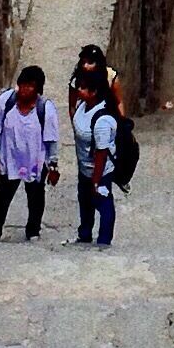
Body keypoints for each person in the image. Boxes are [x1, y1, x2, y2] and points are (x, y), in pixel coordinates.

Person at [0, 64, 59, 241]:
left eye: (30, 86)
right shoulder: (5, 102)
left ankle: (33, 230)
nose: (25, 89)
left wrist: (53, 166)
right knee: (1, 196)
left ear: (38, 89)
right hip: (9, 159)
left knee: (35, 197)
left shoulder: (45, 110)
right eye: (23, 84)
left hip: (35, 161)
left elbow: (51, 141)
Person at [73, 79, 119, 249]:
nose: (79, 89)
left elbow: (101, 152)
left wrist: (96, 180)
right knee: (85, 201)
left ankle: (104, 241)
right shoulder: (82, 106)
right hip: (84, 168)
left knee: (103, 202)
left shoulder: (102, 120)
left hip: (100, 171)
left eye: (83, 87)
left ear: (94, 93)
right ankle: (85, 235)